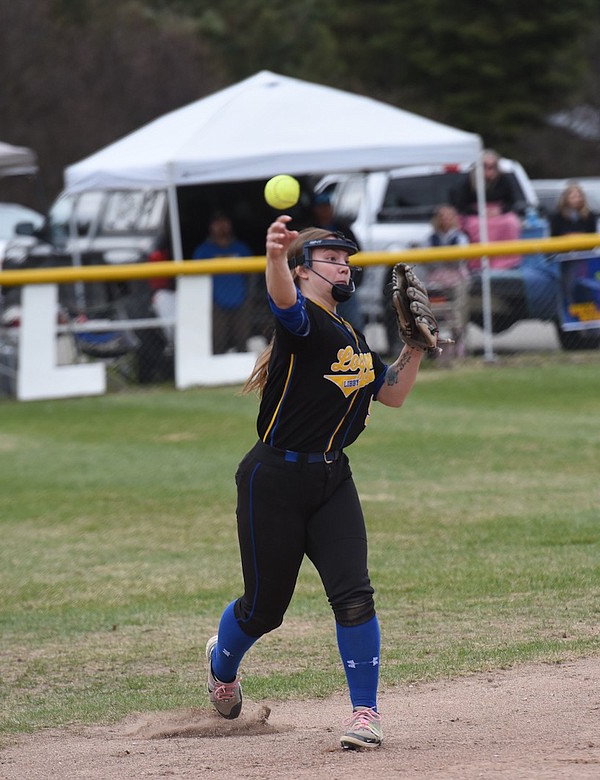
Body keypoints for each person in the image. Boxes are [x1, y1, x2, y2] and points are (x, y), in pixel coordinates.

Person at [204, 215, 428, 752]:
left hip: (332, 479)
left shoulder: (350, 335)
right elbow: (282, 301)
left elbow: (391, 394)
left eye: (347, 259)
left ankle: (365, 714)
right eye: (332, 259)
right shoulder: (301, 322)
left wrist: (415, 346)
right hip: (273, 480)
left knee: (354, 594)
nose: (345, 266)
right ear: (304, 272)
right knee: (264, 609)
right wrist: (275, 257)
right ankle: (221, 663)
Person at [192, 211, 254, 353]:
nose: (221, 226)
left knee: (242, 340)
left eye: (224, 222)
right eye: (217, 223)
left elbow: (251, 276)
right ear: (210, 226)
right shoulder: (203, 251)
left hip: (241, 300)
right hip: (214, 303)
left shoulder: (241, 249)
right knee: (217, 342)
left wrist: (248, 296)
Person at [310, 191, 365, 331]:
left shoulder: (343, 229)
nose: (325, 210)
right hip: (320, 289)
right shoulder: (311, 231)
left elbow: (359, 256)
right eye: (321, 206)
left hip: (344, 287)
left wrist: (354, 282)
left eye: (327, 206)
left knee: (354, 327)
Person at [422, 204, 471, 360]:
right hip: (436, 279)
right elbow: (428, 261)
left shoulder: (459, 237)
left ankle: (460, 347)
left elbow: (460, 259)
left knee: (457, 315)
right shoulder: (430, 238)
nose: (445, 220)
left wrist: (444, 258)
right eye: (442, 216)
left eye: (449, 216)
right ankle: (440, 350)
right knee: (438, 315)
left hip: (456, 278)